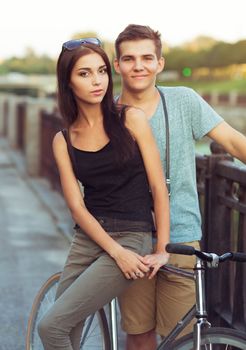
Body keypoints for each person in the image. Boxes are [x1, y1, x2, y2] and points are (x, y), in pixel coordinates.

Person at [113, 24, 246, 350]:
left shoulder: (184, 101)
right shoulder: (107, 114)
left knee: (183, 338)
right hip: (131, 239)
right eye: (129, 59)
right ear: (117, 65)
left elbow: (231, 140)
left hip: (182, 236)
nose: (138, 66)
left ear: (160, 63)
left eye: (147, 57)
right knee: (139, 333)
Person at [37, 37, 170, 350]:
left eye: (101, 71)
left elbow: (157, 186)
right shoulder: (63, 140)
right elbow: (77, 208)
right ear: (68, 82)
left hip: (132, 237)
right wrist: (114, 251)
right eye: (84, 74)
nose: (96, 81)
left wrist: (161, 247)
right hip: (88, 240)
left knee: (50, 327)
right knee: (64, 331)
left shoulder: (131, 119)